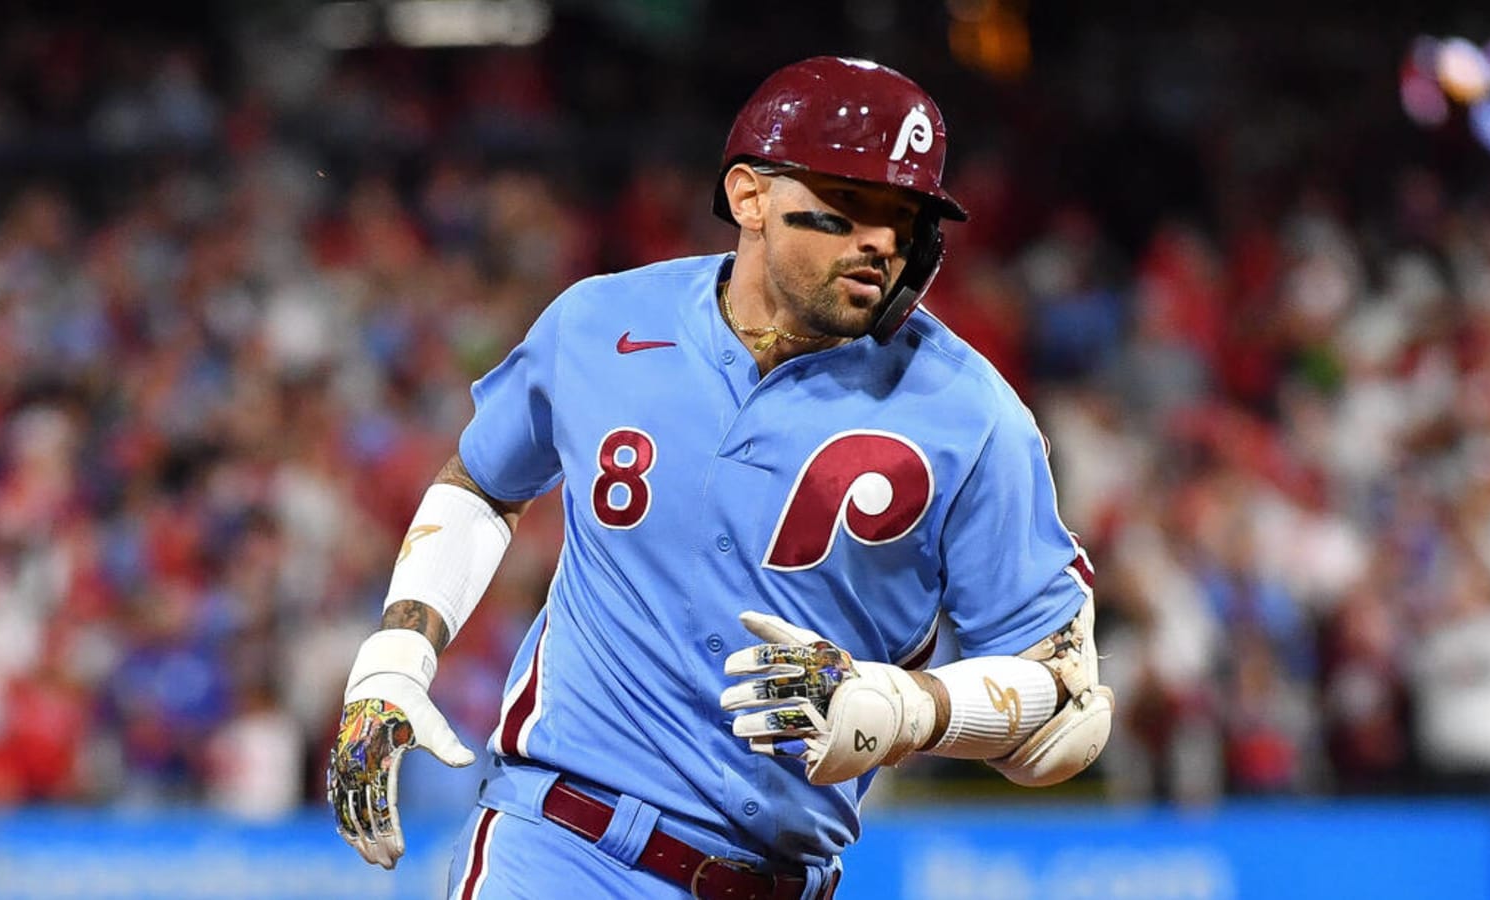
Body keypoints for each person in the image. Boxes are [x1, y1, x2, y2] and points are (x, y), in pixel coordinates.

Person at [326, 55, 1114, 899]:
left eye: (904, 215)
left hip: (776, 879)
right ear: (749, 197)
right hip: (554, 844)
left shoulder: (973, 413)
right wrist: (398, 652)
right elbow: (484, 483)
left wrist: (906, 710)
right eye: (850, 204)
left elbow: (1068, 707)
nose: (881, 240)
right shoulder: (602, 322)